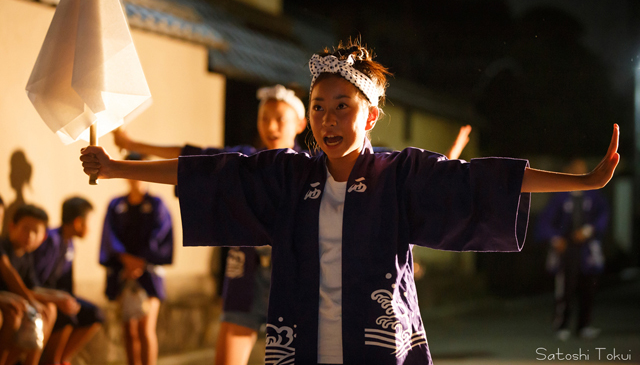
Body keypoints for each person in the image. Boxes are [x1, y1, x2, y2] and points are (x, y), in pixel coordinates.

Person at [81, 40, 619, 365]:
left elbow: (478, 182)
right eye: (319, 107)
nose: (328, 119)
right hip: (303, 348)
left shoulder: (400, 174)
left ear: (371, 116)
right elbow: (207, 173)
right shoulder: (287, 175)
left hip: (381, 350)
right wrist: (116, 167)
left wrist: (587, 182)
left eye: (343, 106)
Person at [113, 84, 308, 365]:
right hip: (247, 270)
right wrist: (132, 146)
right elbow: (193, 159)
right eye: (264, 118)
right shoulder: (244, 160)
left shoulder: (310, 166)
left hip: (292, 275)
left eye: (280, 118)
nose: (271, 126)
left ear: (300, 124)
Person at [99, 153, 174, 365]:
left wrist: (141, 262)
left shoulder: (157, 204)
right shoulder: (116, 205)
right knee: (128, 328)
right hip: (123, 270)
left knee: (145, 327)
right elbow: (109, 236)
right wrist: (126, 260)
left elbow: (161, 235)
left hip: (149, 270)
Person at [536, 158, 610, 341]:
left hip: (587, 248)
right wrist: (555, 238)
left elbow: (603, 215)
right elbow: (545, 221)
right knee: (565, 288)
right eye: (575, 169)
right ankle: (562, 325)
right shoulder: (560, 195)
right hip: (566, 249)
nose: (579, 171)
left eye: (582, 169)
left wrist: (588, 231)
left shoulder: (593, 194)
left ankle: (584, 325)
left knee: (588, 287)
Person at [0, 204, 80, 365]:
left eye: (35, 231)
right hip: (8, 301)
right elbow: (10, 276)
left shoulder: (27, 256)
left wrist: (59, 298)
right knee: (14, 315)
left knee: (49, 310)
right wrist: (31, 300)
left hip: (16, 300)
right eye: (25, 229)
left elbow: (31, 288)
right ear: (11, 227)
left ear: (43, 237)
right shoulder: (3, 247)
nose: (29, 235)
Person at [33, 197, 104, 364]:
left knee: (95, 314)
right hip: (44, 296)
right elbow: (38, 280)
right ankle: (52, 360)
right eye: (89, 222)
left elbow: (67, 284)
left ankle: (64, 358)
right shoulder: (51, 240)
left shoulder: (70, 243)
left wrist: (68, 298)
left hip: (60, 296)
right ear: (79, 222)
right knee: (67, 313)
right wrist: (58, 298)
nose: (90, 229)